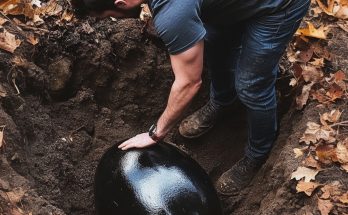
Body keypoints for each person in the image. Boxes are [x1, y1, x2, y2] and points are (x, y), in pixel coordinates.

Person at [73, 0, 310, 195]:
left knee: (251, 85)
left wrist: (156, 133)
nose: (117, 21)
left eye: (111, 16)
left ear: (121, 4)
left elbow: (189, 83)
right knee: (215, 44)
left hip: (280, 6)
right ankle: (223, 102)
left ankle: (257, 154)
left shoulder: (172, 14)